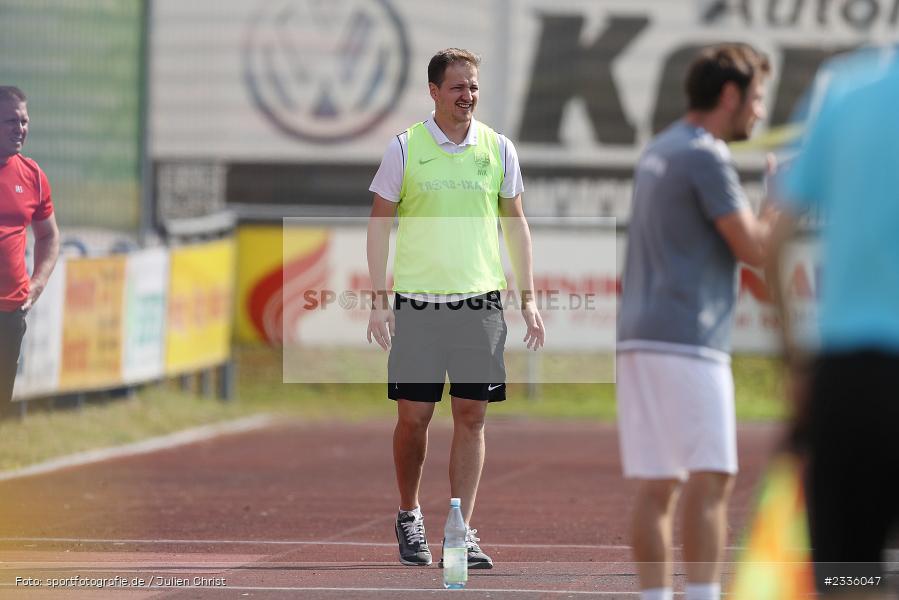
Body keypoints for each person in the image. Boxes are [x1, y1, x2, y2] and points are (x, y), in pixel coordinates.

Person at [366, 48, 544, 569]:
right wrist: (378, 300)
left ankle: (460, 531)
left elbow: (516, 224)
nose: (468, 96)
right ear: (434, 91)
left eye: (473, 87)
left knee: (471, 416)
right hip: (418, 304)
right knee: (414, 418)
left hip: (480, 304)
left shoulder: (499, 148)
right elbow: (378, 225)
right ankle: (409, 513)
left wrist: (529, 298)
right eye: (457, 87)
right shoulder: (404, 148)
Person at [616, 44, 778, 600]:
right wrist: (780, 202)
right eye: (756, 98)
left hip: (640, 336)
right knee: (713, 478)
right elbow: (755, 248)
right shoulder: (706, 156)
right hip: (687, 340)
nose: (759, 111)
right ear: (730, 95)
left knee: (658, 484)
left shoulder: (660, 147)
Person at [767, 47, 899, 600]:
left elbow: (776, 240)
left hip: (852, 381)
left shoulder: (843, 91)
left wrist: (796, 363)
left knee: (849, 578)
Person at [0, 86, 60, 418]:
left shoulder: (33, 176)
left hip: (9, 315)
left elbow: (49, 237)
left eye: (24, 121)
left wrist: (36, 285)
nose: (20, 128)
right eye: (11, 121)